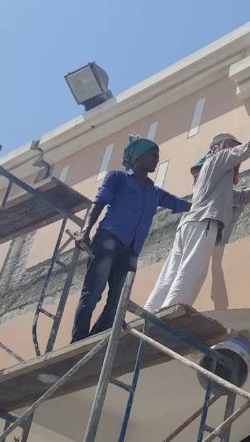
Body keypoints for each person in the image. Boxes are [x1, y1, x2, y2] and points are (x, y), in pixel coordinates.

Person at [143, 133, 250, 313]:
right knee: (192, 271)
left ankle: (149, 314)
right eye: (231, 146)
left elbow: (240, 197)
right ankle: (170, 315)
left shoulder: (211, 176)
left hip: (187, 226)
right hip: (204, 223)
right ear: (219, 147)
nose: (233, 151)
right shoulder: (217, 160)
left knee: (169, 276)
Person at [70, 135, 191, 343]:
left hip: (132, 249)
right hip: (109, 239)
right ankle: (79, 340)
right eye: (152, 154)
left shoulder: (154, 192)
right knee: (93, 292)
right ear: (137, 156)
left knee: (118, 301)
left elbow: (179, 204)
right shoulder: (118, 178)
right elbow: (99, 203)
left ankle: (98, 339)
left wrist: (209, 200)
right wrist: (85, 231)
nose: (156, 158)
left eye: (157, 155)